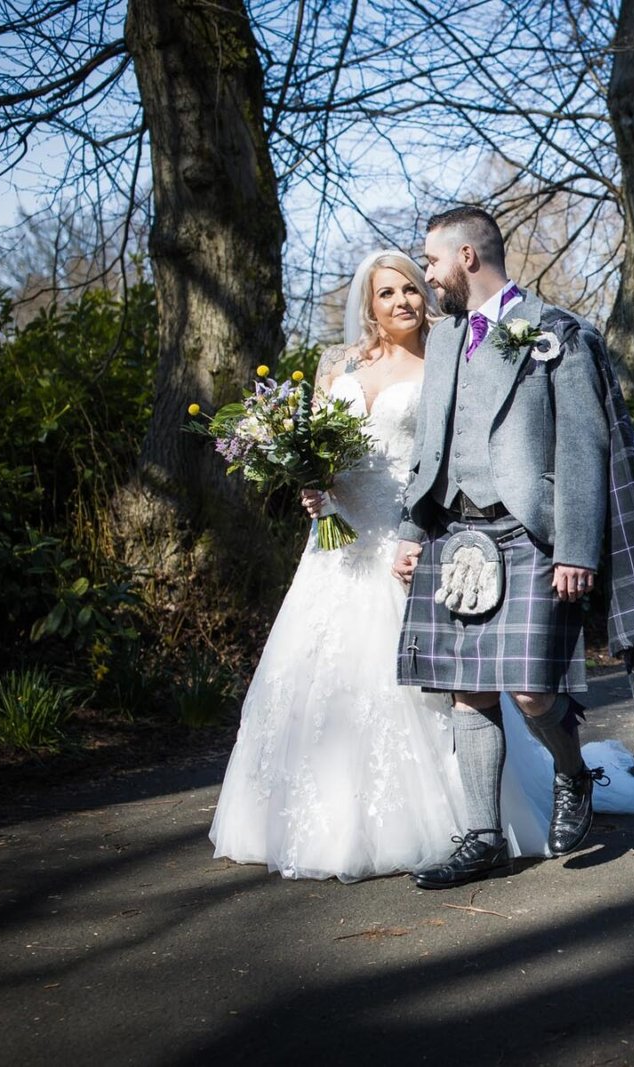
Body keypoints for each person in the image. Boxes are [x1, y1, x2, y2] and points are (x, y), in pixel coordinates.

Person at [395, 206, 634, 891]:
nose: (425, 277)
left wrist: (576, 547)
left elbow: (581, 446)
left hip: (530, 534)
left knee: (534, 690)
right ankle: (480, 837)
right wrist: (409, 529)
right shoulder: (449, 337)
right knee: (468, 690)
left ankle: (573, 772)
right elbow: (431, 441)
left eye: (431, 262)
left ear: (468, 258)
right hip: (456, 534)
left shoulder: (555, 333)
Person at [209, 249, 551, 881]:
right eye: (387, 293)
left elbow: (455, 455)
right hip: (334, 544)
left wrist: (421, 531)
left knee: (427, 683)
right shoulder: (337, 364)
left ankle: (468, 818)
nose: (402, 302)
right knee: (319, 673)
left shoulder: (446, 357)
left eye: (412, 290)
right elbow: (317, 445)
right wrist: (310, 485)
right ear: (367, 303)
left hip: (405, 539)